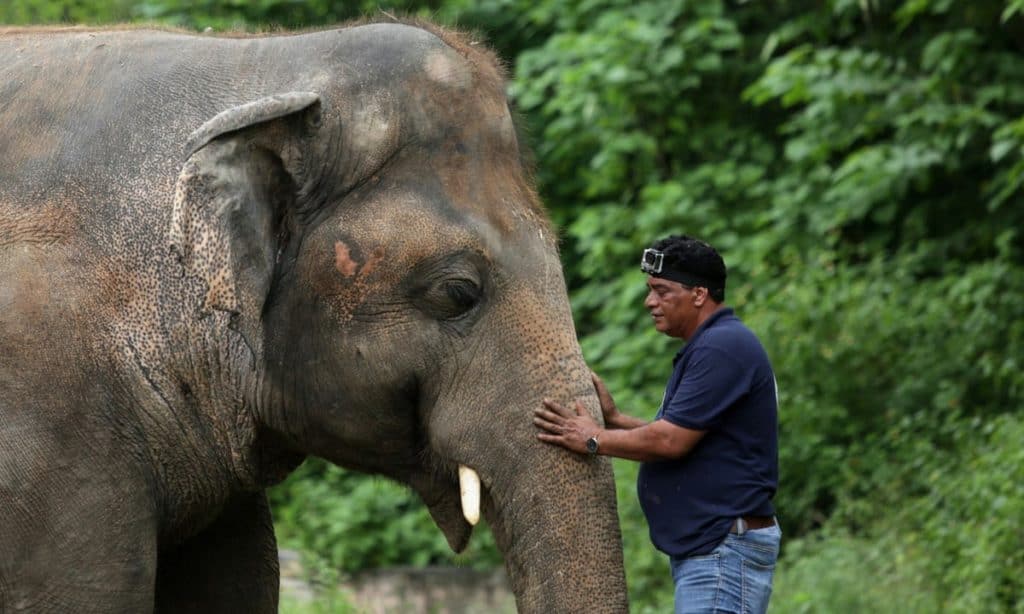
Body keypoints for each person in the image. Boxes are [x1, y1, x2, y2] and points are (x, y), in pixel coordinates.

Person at [533, 234, 780, 614]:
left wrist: (594, 439)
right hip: (715, 548)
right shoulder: (713, 345)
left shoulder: (722, 347)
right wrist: (614, 421)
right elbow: (690, 436)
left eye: (662, 291)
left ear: (699, 295)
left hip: (722, 551)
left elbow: (670, 442)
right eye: (650, 290)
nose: (650, 302)